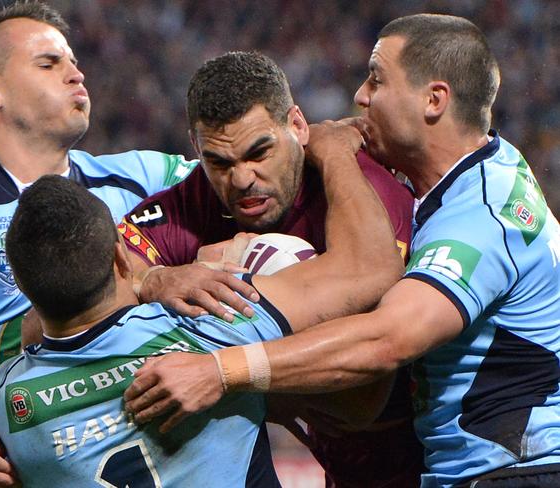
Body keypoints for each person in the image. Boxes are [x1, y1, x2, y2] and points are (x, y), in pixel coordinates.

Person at [125, 14, 560, 488]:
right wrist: (153, 279)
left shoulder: (484, 213)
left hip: (515, 472)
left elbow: (385, 340)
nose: (359, 96)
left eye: (377, 78)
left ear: (434, 100)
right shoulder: (465, 185)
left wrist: (221, 371)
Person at [0, 114, 388, 486]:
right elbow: (369, 268)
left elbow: (31, 333)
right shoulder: (209, 323)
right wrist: (334, 151)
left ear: (22, 286)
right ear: (120, 256)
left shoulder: (6, 402)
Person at [0, 2, 207, 486]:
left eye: (73, 62)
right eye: (49, 64)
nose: (76, 74)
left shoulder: (141, 179)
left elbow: (257, 174)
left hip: (90, 454)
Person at [120, 51, 422, 487]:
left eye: (259, 152)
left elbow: (364, 395)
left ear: (297, 126)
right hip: (344, 464)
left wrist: (234, 376)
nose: (242, 179)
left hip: (431, 454)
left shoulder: (361, 188)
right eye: (220, 163)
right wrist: (152, 278)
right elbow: (95, 279)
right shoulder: (194, 201)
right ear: (196, 149)